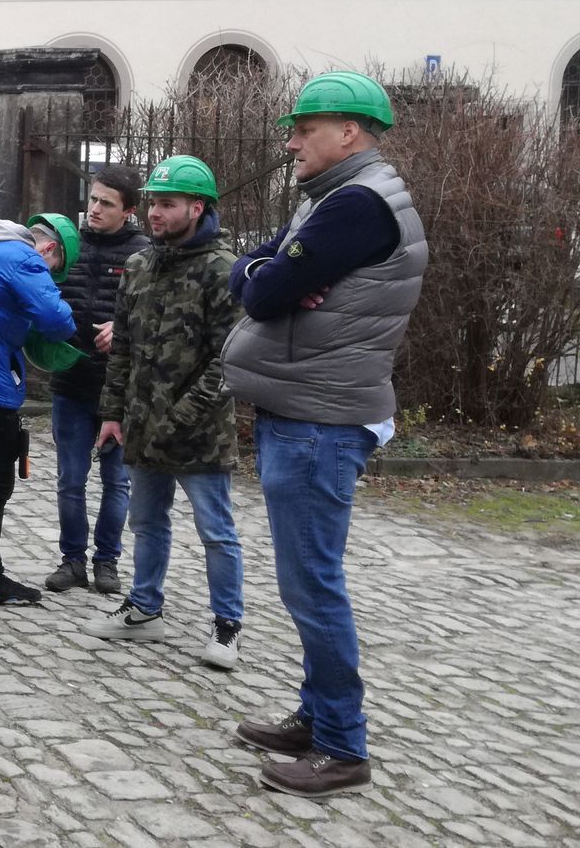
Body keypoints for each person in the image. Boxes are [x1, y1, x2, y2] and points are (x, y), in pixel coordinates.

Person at [222, 72, 427, 798]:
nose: (291, 141)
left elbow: (267, 290)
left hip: (321, 422)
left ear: (350, 133)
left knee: (313, 587)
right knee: (309, 582)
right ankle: (315, 717)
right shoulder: (337, 201)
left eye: (305, 128)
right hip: (309, 413)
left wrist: (266, 276)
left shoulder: (357, 207)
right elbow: (246, 274)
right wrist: (262, 271)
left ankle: (342, 747)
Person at [79, 156, 244, 669]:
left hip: (200, 435)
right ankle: (145, 609)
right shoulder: (139, 265)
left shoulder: (223, 270)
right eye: (153, 202)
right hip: (143, 426)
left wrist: (182, 416)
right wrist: (112, 412)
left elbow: (228, 361)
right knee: (147, 522)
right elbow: (123, 347)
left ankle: (227, 626)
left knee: (215, 530)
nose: (155, 212)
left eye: (167, 204)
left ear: (198, 208)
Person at [0, 212, 79, 605]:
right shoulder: (25, 258)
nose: (50, 274)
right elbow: (57, 321)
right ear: (50, 249)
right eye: (56, 270)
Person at [44, 166, 150, 596]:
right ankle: (72, 561)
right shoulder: (70, 243)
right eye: (93, 199)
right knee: (70, 479)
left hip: (118, 388)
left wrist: (125, 331)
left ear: (128, 210)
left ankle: (107, 562)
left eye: (106, 203)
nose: (95, 209)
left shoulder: (144, 252)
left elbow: (159, 318)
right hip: (70, 381)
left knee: (116, 481)